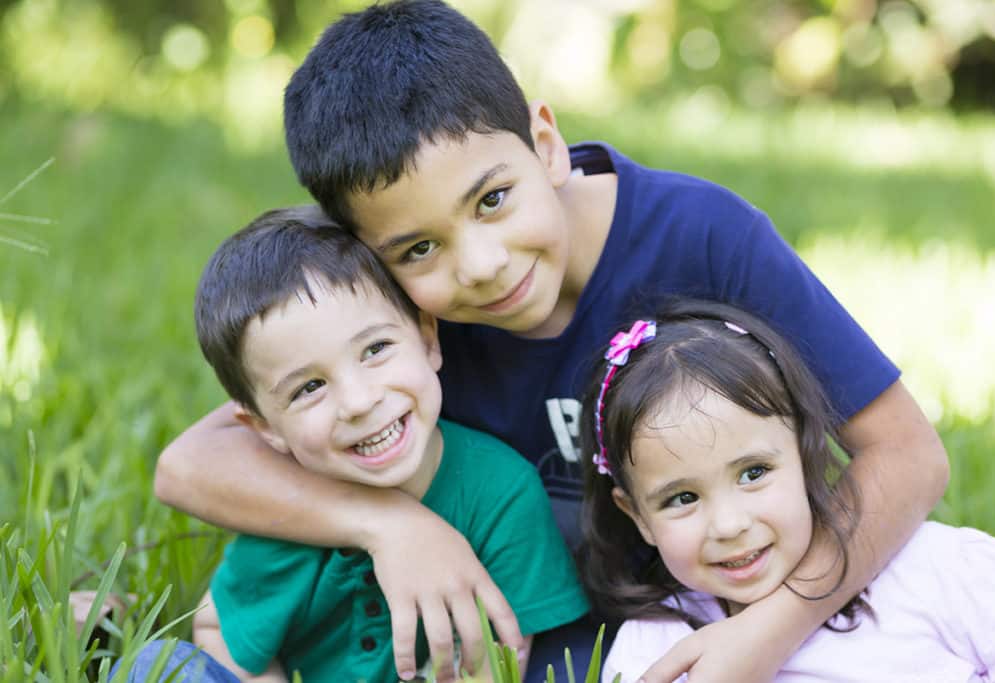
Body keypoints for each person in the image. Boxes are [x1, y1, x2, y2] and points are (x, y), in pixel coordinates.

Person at [154, 2, 950, 681]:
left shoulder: (705, 239)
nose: (482, 264)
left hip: (695, 612)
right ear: (371, 251)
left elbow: (908, 454)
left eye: (493, 199)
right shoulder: (398, 313)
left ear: (543, 140)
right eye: (418, 248)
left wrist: (764, 633)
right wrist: (389, 525)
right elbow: (194, 463)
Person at [126, 206, 588, 683]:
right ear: (264, 426)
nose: (359, 401)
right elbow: (224, 630)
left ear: (428, 337)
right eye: (308, 388)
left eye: (375, 350)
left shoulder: (502, 495)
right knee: (153, 667)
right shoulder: (285, 512)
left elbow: (501, 660)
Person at [576, 300, 995, 683]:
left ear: (806, 455)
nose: (731, 524)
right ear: (637, 516)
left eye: (754, 473)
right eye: (683, 498)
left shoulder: (942, 573)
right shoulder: (657, 645)